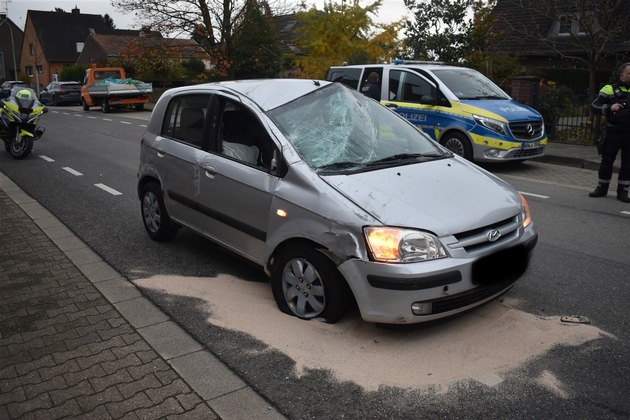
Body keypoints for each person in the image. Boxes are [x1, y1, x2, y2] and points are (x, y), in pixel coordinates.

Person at [590, 62, 630, 203]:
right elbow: (594, 106)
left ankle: (623, 191)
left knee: (627, 164)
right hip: (613, 131)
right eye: (629, 73)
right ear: (622, 75)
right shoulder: (609, 89)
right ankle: (602, 188)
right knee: (607, 161)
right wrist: (609, 107)